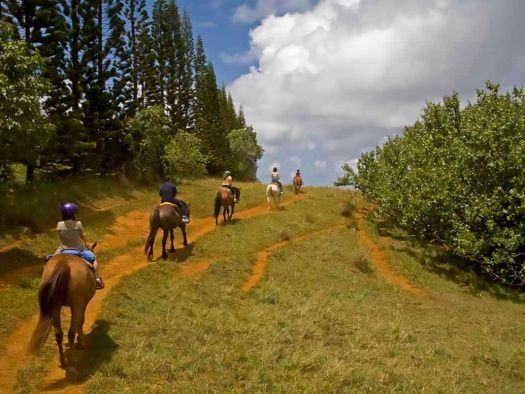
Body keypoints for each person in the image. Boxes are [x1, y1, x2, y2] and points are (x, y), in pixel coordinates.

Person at [55, 202, 104, 289]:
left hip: (63, 249)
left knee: (51, 260)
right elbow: (82, 236)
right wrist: (84, 238)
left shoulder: (59, 224)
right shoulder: (78, 224)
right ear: (73, 213)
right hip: (78, 248)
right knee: (94, 260)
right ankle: (97, 280)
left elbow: (60, 237)